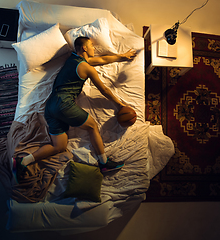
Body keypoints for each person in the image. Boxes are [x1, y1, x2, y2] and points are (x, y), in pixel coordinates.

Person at [12, 36, 136, 182]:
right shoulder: (86, 67)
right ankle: (104, 163)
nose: (94, 48)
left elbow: (102, 60)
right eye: (91, 45)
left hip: (50, 106)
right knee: (92, 127)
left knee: (59, 146)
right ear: (84, 48)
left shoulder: (74, 59)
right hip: (63, 104)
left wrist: (123, 56)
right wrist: (120, 104)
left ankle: (22, 162)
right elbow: (104, 90)